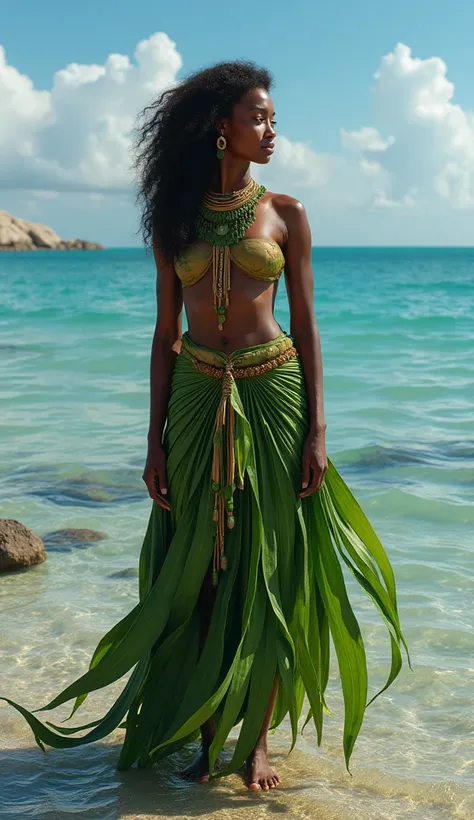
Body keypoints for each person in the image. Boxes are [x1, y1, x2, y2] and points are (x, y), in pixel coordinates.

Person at [1, 60, 409, 793]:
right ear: (221, 126)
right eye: (259, 117)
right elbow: (163, 337)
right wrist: (152, 438)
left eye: (273, 119)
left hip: (273, 395)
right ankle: (205, 737)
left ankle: (254, 746)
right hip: (193, 402)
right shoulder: (176, 220)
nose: (271, 129)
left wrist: (317, 430)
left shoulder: (289, 213)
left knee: (269, 569)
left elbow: (310, 329)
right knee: (202, 567)